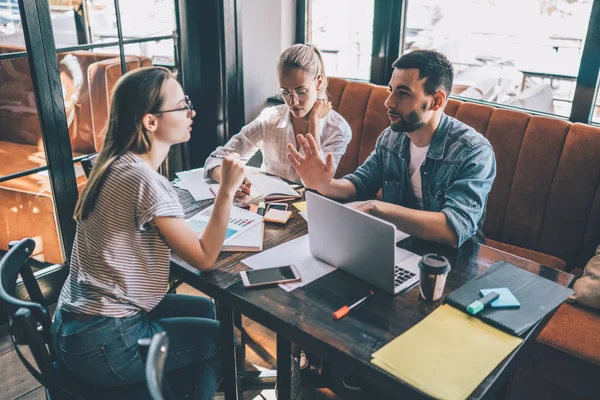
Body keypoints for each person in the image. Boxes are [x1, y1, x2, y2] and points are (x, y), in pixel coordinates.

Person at [51, 67, 246, 400]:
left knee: (206, 311)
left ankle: (185, 383)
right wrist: (227, 190)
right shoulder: (144, 181)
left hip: (74, 325)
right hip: (105, 342)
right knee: (227, 343)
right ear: (150, 122)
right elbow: (204, 257)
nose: (191, 111)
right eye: (182, 104)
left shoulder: (116, 162)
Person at [287, 50, 496, 248]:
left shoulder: (473, 152)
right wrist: (325, 185)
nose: (389, 102)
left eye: (403, 93)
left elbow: (453, 229)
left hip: (454, 262)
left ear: (437, 100)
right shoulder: (392, 137)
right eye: (391, 90)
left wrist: (377, 209)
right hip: (398, 246)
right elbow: (360, 183)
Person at [204, 43, 352, 196]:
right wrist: (229, 181)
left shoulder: (337, 130)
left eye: (301, 92)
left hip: (311, 211)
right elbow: (216, 159)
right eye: (285, 92)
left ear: (318, 83)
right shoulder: (270, 118)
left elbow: (316, 184)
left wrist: (314, 121)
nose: (292, 102)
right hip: (267, 210)